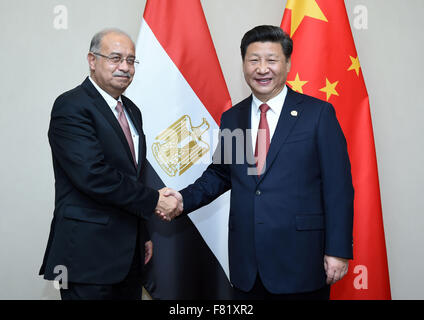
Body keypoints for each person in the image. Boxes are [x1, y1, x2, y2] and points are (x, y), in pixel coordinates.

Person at [161, 25, 354, 300]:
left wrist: (337, 250)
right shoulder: (234, 118)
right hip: (247, 266)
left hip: (302, 261)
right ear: (243, 64)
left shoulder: (317, 114)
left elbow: (339, 189)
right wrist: (181, 199)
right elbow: (220, 175)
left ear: (287, 64)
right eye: (254, 60)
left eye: (271, 60)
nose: (262, 68)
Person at [39, 28, 181, 300]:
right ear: (92, 60)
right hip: (87, 256)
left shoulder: (132, 110)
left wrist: (143, 235)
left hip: (129, 256)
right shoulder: (71, 106)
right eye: (115, 58)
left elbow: (133, 176)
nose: (125, 67)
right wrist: (154, 200)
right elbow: (93, 175)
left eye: (131, 60)